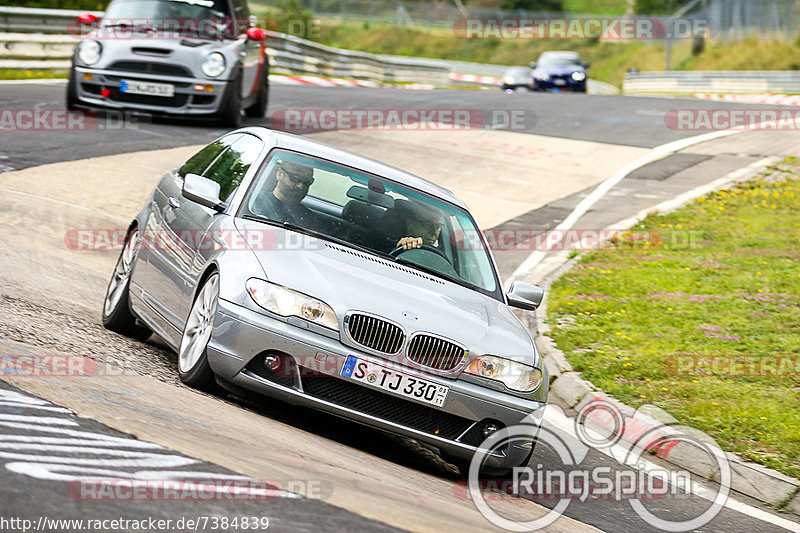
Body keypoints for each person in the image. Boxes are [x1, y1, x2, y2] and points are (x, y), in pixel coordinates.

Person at [253, 160, 320, 226]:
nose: (301, 186)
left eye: (307, 182)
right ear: (279, 174)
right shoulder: (255, 202)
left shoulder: (310, 218)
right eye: (295, 178)